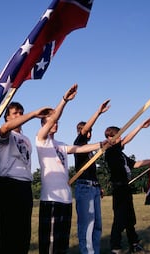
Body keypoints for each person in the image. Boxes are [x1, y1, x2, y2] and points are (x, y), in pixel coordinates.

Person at [35, 84, 104, 254]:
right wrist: (64, 100)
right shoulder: (41, 140)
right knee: (50, 245)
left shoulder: (62, 145)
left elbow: (80, 149)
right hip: (51, 199)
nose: (56, 123)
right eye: (52, 121)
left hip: (66, 200)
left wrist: (103, 144)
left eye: (57, 122)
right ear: (44, 124)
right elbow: (51, 119)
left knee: (62, 245)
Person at [0, 101, 51, 254]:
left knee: (24, 233)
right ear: (7, 117)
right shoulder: (4, 133)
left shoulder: (26, 139)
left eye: (21, 113)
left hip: (25, 185)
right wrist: (33, 114)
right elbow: (6, 128)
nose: (19, 115)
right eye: (15, 113)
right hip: (9, 184)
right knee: (8, 234)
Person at [104, 117, 150, 254]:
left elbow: (135, 164)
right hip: (118, 188)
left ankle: (134, 244)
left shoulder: (121, 154)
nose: (121, 138)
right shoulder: (110, 152)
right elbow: (127, 139)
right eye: (118, 135)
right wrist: (140, 126)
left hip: (126, 188)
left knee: (130, 218)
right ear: (110, 137)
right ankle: (115, 247)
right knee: (120, 219)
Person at [73, 99, 110, 254]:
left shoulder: (90, 151)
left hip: (93, 187)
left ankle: (95, 251)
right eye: (89, 130)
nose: (90, 133)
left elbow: (92, 171)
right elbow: (85, 129)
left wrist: (99, 186)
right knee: (87, 224)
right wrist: (98, 113)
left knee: (97, 225)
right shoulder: (79, 143)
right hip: (84, 187)